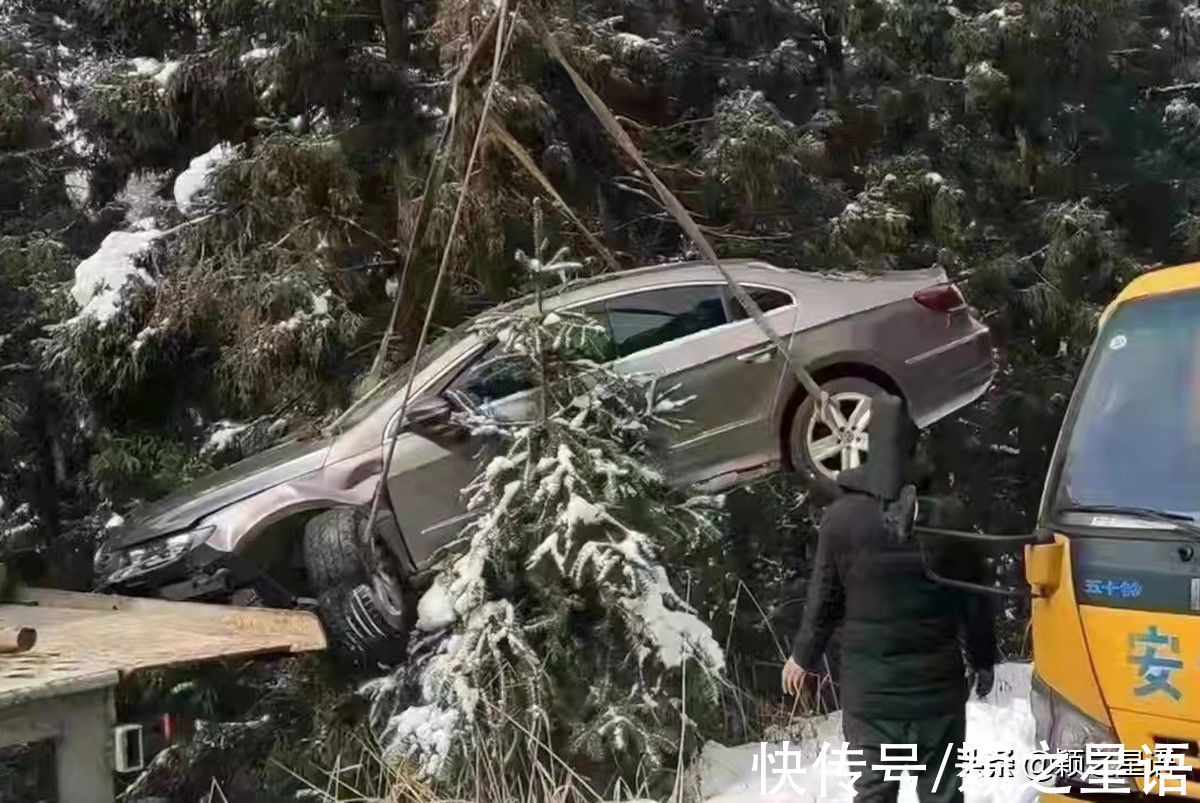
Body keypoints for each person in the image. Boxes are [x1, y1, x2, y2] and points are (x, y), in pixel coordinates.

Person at [782, 394, 996, 803]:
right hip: (936, 694)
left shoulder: (841, 520)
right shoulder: (949, 518)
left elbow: (824, 601)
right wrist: (984, 659)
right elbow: (975, 599)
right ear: (915, 450)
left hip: (870, 697)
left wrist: (803, 657)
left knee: (875, 793)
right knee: (941, 793)